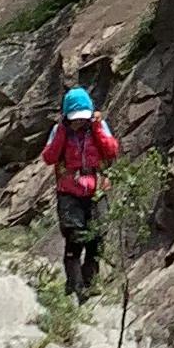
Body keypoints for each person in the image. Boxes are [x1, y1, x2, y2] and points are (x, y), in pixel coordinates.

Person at [37, 85, 120, 299]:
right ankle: (75, 286)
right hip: (69, 193)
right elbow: (49, 158)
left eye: (83, 118)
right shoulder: (60, 131)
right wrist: (62, 132)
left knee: (96, 239)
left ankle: (89, 284)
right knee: (75, 238)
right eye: (75, 118)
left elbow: (112, 151)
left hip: (96, 191)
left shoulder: (98, 127)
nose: (79, 122)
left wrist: (99, 128)